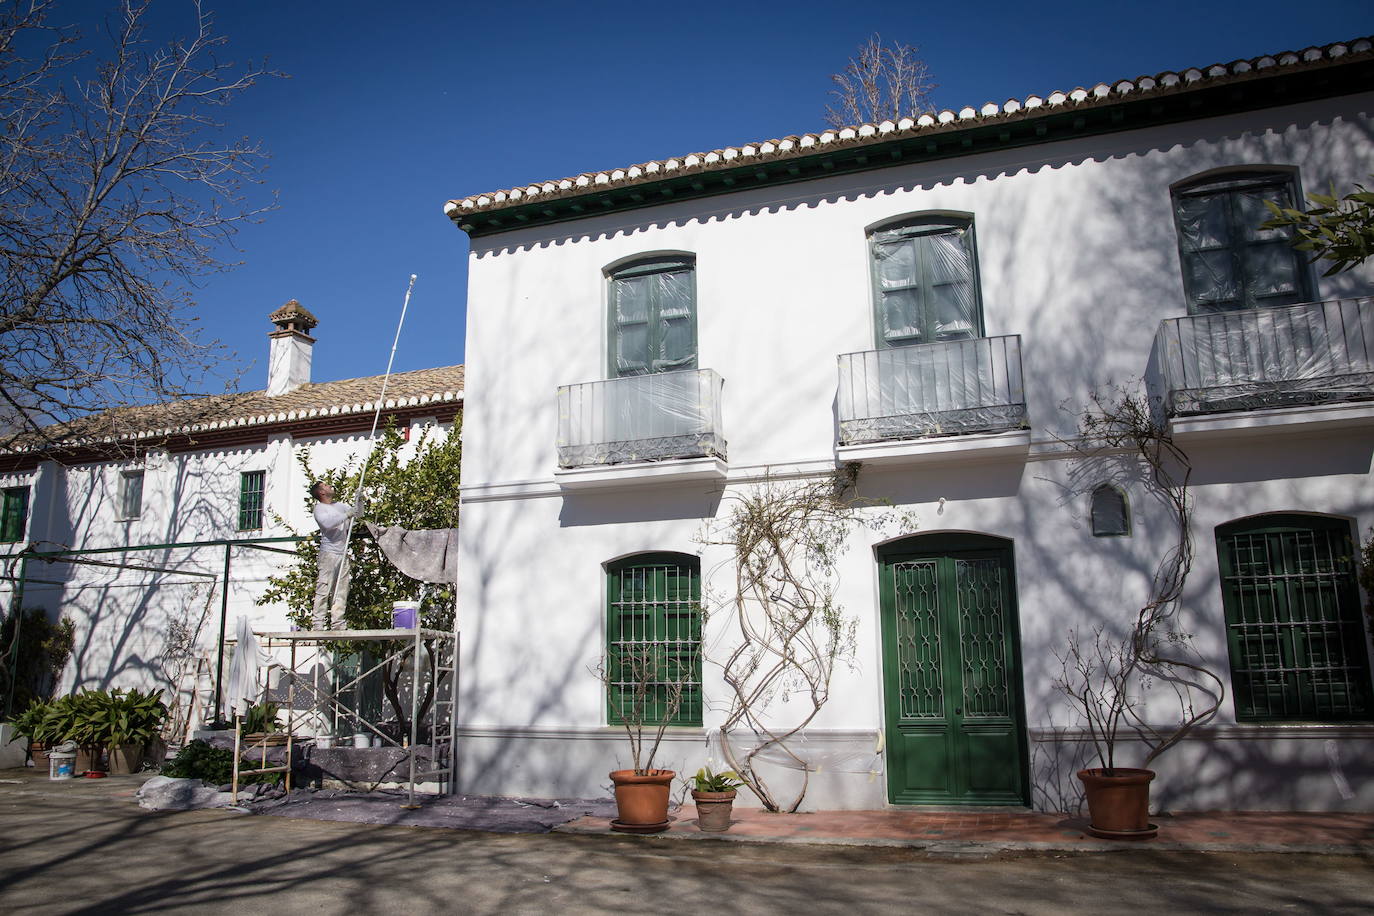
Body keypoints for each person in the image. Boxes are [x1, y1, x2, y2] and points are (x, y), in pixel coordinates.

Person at [311, 481, 354, 630]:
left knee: (341, 589)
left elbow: (357, 514)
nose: (330, 486)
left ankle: (337, 622)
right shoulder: (319, 509)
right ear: (321, 492)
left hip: (342, 553)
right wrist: (346, 515)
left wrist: (359, 501)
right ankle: (318, 623)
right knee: (324, 588)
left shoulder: (340, 506)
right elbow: (328, 524)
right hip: (328, 554)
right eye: (326, 486)